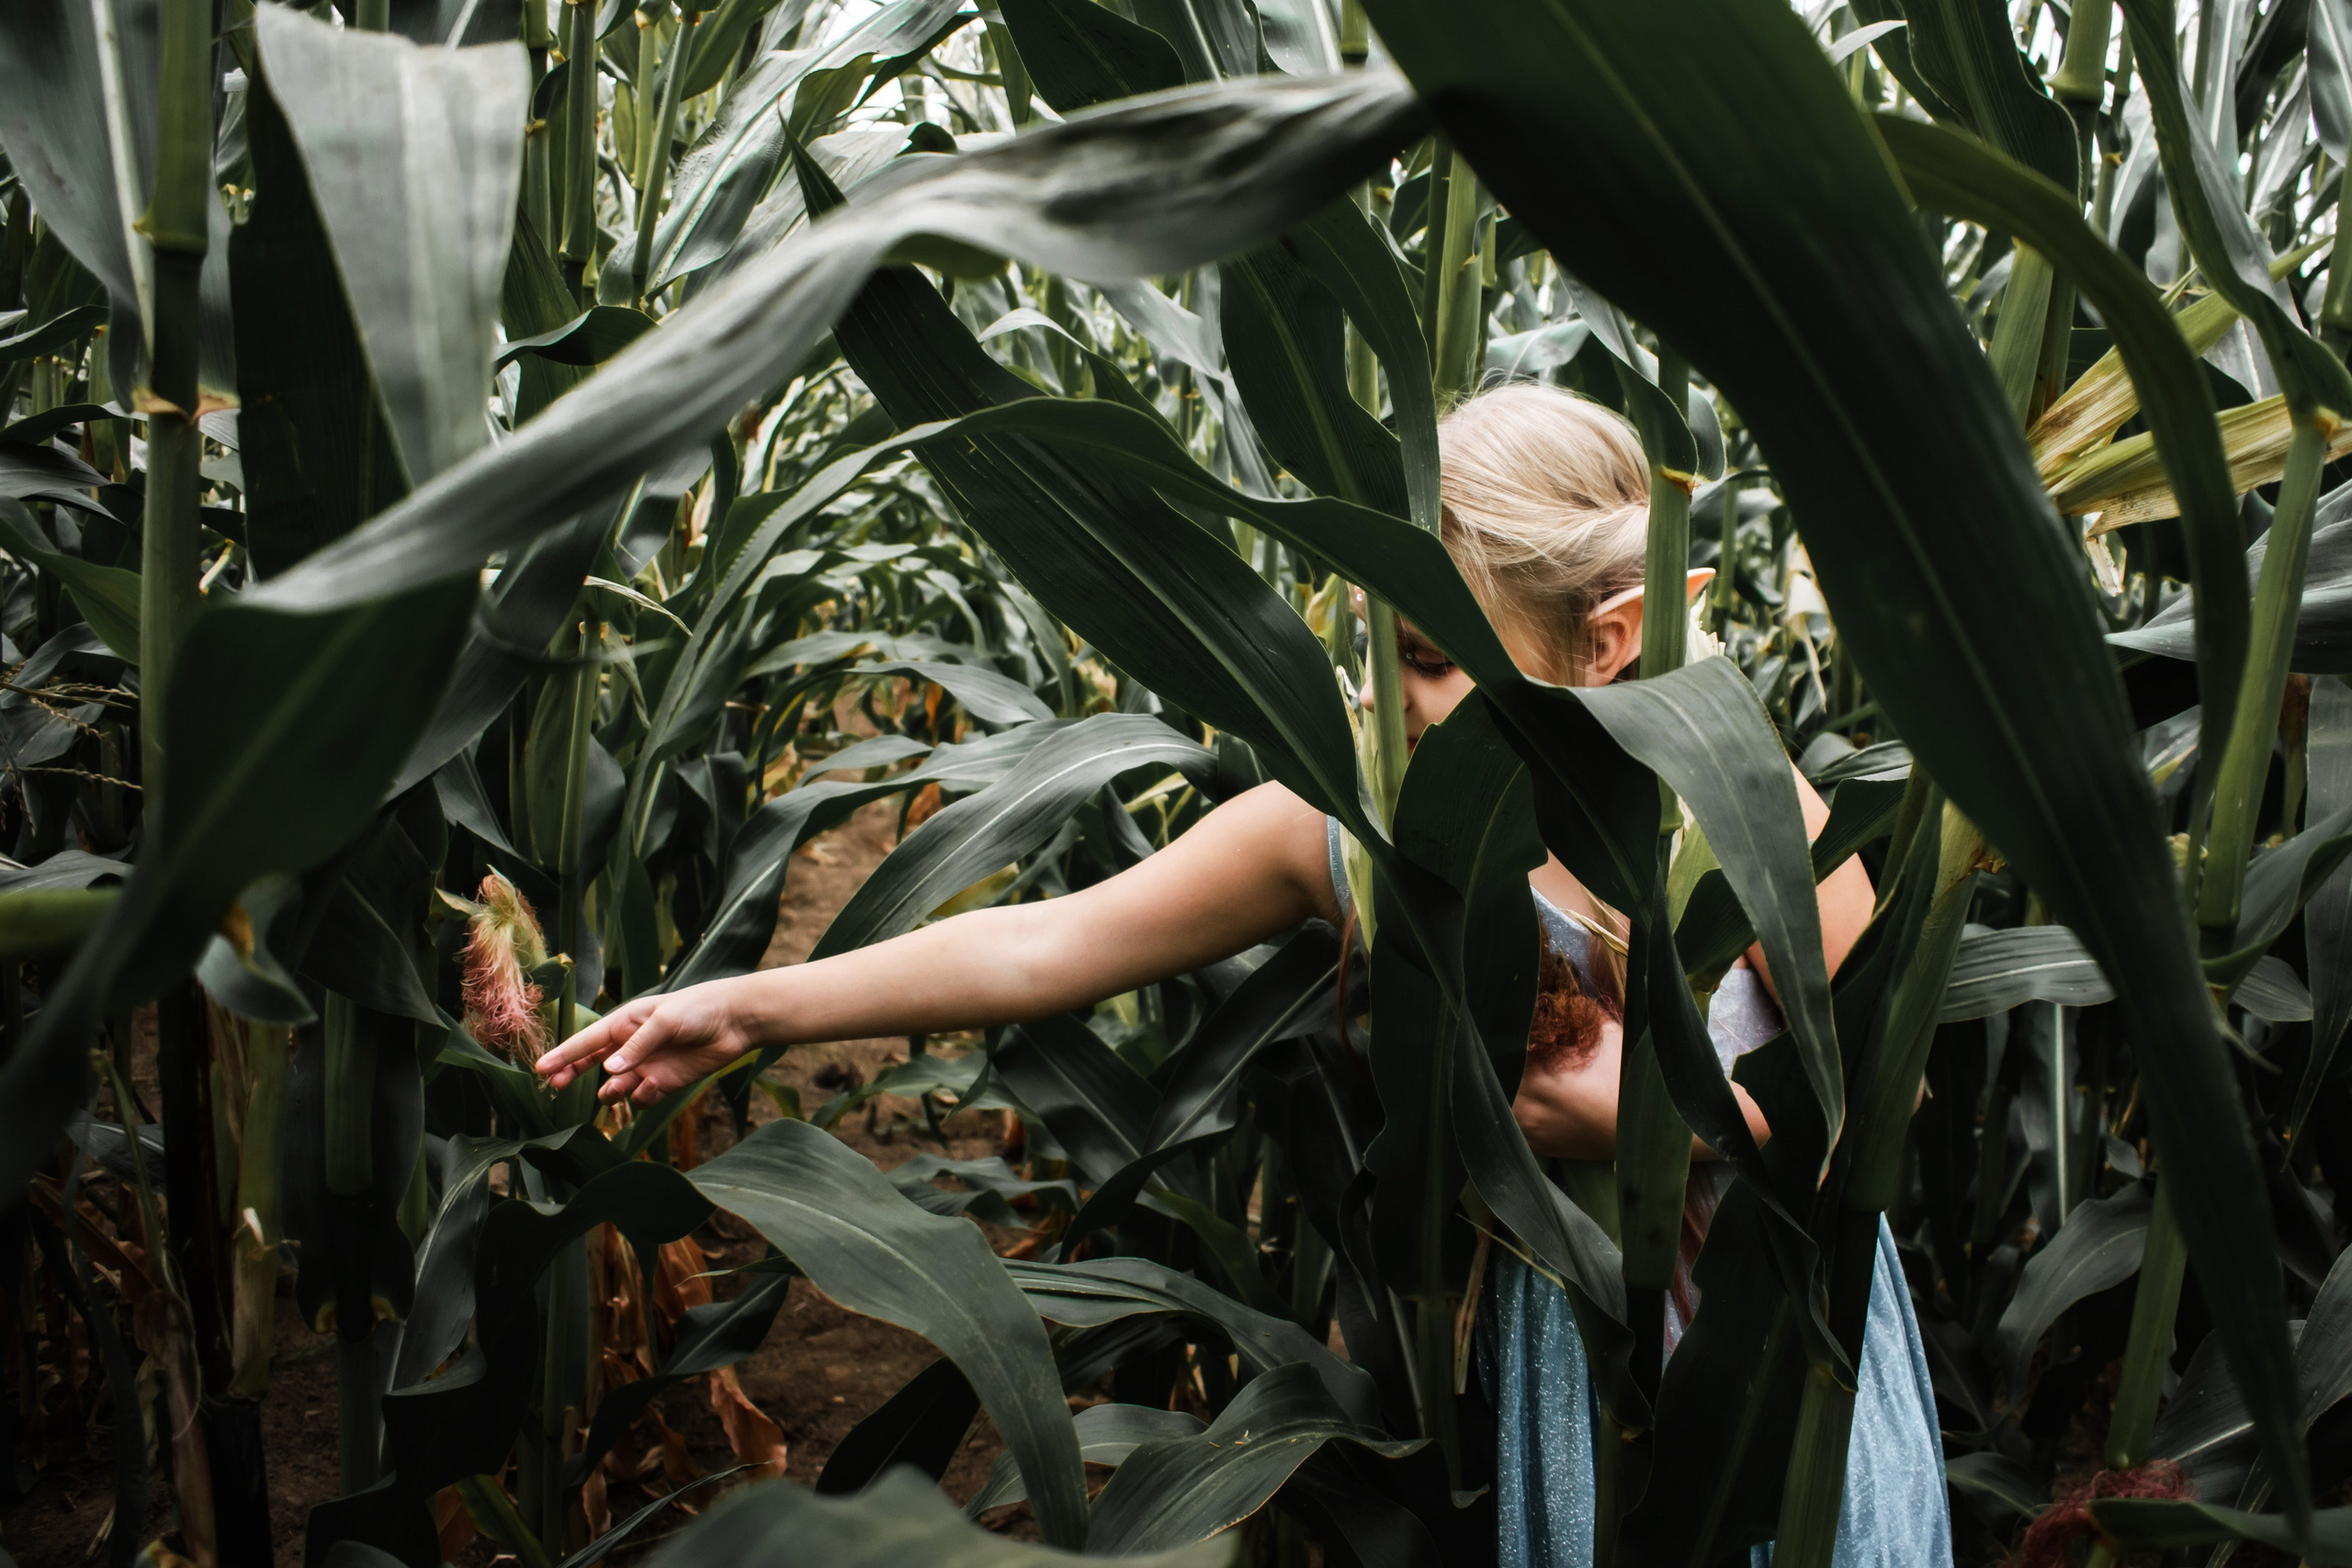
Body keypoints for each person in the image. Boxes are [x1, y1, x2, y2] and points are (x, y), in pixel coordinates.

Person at [533, 381, 1951, 1566]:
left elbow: (1886, 1097)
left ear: (1618, 636)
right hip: (1550, 1378)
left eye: (1428, 661)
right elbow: (1052, 941)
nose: (1388, 709)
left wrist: (1667, 1127)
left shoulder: (1741, 806)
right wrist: (743, 1006)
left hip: (1782, 1366)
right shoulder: (1346, 824)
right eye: (1369, 650)